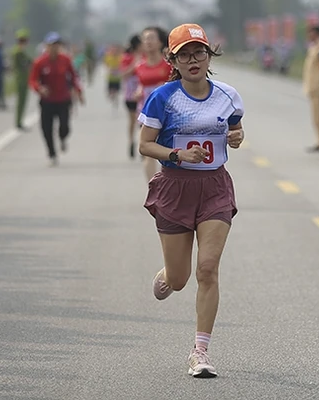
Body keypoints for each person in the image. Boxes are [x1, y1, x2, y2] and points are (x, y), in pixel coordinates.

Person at [138, 23, 244, 378]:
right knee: (181, 278)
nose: (193, 60)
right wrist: (177, 155)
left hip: (214, 187)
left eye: (199, 52)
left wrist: (237, 136)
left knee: (208, 269)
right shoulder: (162, 98)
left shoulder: (228, 95)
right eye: (184, 55)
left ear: (209, 55)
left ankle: (200, 351)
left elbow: (234, 129)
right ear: (172, 61)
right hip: (175, 188)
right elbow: (145, 145)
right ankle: (168, 274)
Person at [28, 32, 84, 166]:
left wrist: (79, 91)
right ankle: (52, 153)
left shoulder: (65, 60)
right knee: (46, 129)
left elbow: (73, 77)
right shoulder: (40, 62)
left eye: (57, 45)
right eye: (52, 45)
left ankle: (62, 138)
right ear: (46, 46)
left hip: (63, 99)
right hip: (47, 101)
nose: (54, 48)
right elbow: (32, 80)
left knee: (64, 127)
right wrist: (39, 88)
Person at [135, 26, 172, 181]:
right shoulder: (140, 66)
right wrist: (139, 91)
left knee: (169, 150)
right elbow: (141, 84)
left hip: (168, 112)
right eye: (145, 39)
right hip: (147, 113)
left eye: (151, 38)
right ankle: (153, 186)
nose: (148, 42)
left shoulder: (168, 65)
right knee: (148, 152)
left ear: (160, 42)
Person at [302, 25, 319, 152]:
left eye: (311, 33)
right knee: (315, 116)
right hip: (312, 87)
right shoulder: (313, 47)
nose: (309, 35)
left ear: (317, 34)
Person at [121, 34, 143, 158]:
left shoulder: (146, 57)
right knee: (132, 120)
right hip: (130, 95)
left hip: (143, 96)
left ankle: (142, 144)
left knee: (142, 122)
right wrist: (135, 63)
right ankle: (131, 141)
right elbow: (124, 74)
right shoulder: (127, 57)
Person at [11, 29, 32, 130]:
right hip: (21, 79)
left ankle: (20, 120)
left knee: (23, 101)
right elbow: (26, 64)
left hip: (24, 78)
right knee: (21, 101)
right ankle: (18, 121)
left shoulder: (22, 51)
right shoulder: (18, 52)